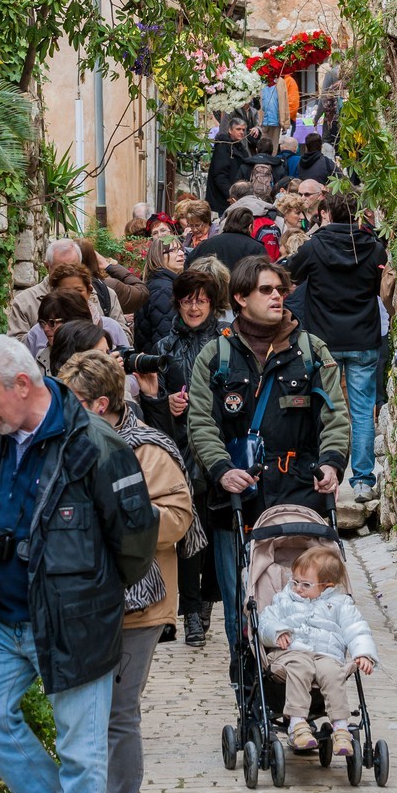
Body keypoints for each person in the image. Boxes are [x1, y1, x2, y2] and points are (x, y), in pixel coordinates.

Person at [0, 335, 158, 793]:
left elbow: (135, 539)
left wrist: (91, 593)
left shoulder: (98, 445)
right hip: (1, 614)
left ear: (22, 385)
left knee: (82, 743)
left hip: (74, 615)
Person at [58, 350, 193, 793]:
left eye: (70, 402)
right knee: (83, 710)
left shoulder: (147, 449)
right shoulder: (66, 445)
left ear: (99, 403)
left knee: (118, 710)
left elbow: (178, 517)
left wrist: (121, 520)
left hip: (139, 598)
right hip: (83, 595)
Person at [187, 255, 350, 660]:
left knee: (311, 596)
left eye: (281, 289)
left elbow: (335, 414)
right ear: (240, 297)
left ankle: (312, 677)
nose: (278, 296)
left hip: (299, 494)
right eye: (266, 290)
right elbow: (201, 422)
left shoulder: (311, 351)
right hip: (238, 498)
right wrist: (222, 470)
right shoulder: (216, 355)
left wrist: (331, 462)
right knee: (242, 603)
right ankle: (249, 689)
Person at [286, 189, 387, 505]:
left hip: (323, 341)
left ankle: (322, 473)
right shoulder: (374, 248)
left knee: (323, 409)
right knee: (361, 411)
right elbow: (379, 287)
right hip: (363, 338)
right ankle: (362, 481)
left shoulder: (315, 246)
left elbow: (290, 274)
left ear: (326, 213)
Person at [143, 267, 225, 645]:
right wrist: (167, 402)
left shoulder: (227, 343)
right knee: (188, 533)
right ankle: (190, 611)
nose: (195, 306)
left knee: (213, 532)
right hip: (179, 450)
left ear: (212, 302)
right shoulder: (164, 347)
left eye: (202, 299)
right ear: (178, 302)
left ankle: (207, 600)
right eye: (188, 299)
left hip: (220, 448)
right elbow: (150, 406)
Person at [259, 542, 378, 756]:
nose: (297, 588)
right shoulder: (285, 600)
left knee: (334, 672)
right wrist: (278, 632)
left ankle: (341, 728)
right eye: (294, 581)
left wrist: (363, 653)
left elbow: (356, 629)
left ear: (326, 586)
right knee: (300, 666)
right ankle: (297, 724)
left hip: (325, 655)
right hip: (291, 653)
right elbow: (265, 621)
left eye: (305, 584)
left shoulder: (341, 604)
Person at [7, 240, 125, 343]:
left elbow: (124, 338)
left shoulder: (105, 296)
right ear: (47, 267)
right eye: (61, 269)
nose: (68, 273)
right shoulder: (25, 302)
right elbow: (15, 349)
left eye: (74, 267)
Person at [25, 262, 129, 361]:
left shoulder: (111, 327)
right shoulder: (39, 332)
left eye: (78, 290)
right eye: (65, 291)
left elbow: (129, 372)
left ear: (89, 291)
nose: (72, 296)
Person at [134, 235, 185, 355]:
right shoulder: (164, 290)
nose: (181, 253)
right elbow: (165, 337)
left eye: (181, 249)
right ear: (158, 256)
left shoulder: (163, 284)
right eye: (173, 250)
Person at [79, 236, 147, 318]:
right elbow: (142, 292)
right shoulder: (107, 287)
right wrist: (108, 266)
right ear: (94, 258)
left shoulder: (62, 287)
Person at [191, 206, 267, 272]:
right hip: (242, 287)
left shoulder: (206, 244)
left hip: (212, 287)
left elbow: (189, 264)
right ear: (250, 227)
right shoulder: (256, 248)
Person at [31, 290, 94, 370]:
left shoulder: (96, 358)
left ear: (74, 322)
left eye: (52, 322)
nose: (46, 329)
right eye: (42, 323)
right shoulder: (41, 358)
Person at [205, 118, 252, 214]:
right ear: (230, 130)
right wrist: (231, 195)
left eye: (243, 130)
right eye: (238, 129)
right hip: (224, 199)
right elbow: (220, 175)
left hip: (234, 198)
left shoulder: (239, 147)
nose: (242, 132)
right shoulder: (223, 147)